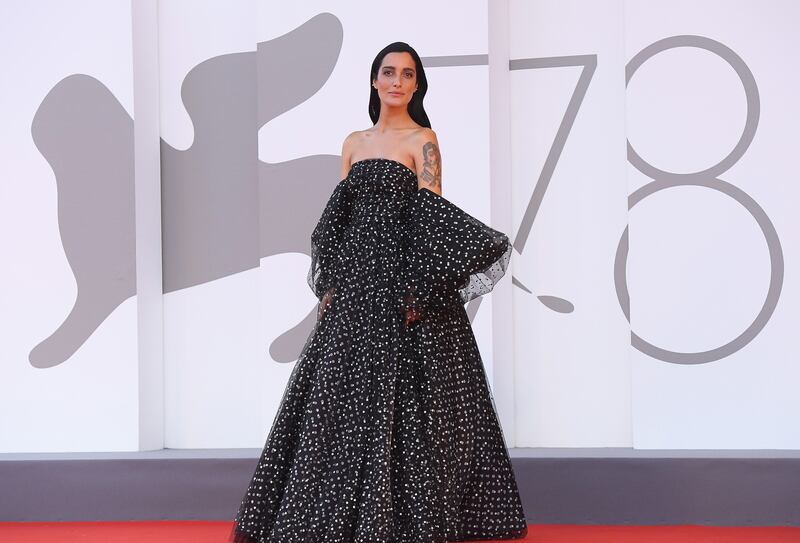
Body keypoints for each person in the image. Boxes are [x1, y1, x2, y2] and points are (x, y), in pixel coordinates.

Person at [231, 41, 527, 543]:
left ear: (416, 85)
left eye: (407, 75)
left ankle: (401, 520)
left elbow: (431, 222)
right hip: (354, 285)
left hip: (399, 284)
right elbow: (341, 221)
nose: (396, 81)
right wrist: (330, 283)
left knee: (410, 401)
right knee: (334, 398)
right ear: (374, 81)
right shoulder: (353, 142)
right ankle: (327, 518)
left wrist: (417, 291)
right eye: (388, 72)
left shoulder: (423, 140)